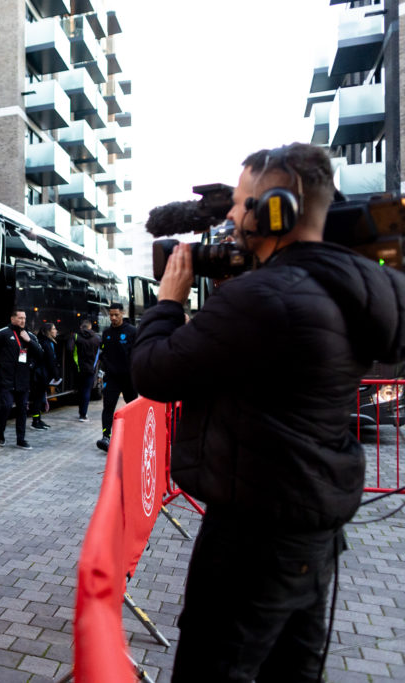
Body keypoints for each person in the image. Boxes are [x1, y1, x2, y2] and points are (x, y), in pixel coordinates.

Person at [132, 143, 405, 682]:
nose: (231, 218)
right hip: (310, 532)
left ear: (274, 208)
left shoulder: (264, 298)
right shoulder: (347, 287)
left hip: (252, 542)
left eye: (238, 204)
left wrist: (167, 303)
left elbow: (152, 372)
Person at [0, 309, 42, 449]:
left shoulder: (29, 335)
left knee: (22, 410)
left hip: (23, 380)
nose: (22, 321)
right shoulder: (4, 333)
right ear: (13, 319)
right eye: (20, 318)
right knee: (6, 406)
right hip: (5, 379)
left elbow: (40, 354)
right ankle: (0, 433)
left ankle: (21, 439)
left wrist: (28, 341)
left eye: (24, 318)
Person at [96, 303, 137, 452]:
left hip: (129, 378)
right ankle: (106, 437)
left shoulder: (132, 331)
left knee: (132, 407)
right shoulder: (106, 333)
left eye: (116, 315)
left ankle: (133, 435)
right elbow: (103, 354)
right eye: (111, 315)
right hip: (112, 378)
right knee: (108, 407)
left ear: (122, 314)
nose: (113, 318)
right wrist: (103, 371)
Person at [29, 322, 62, 431]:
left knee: (40, 397)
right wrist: (56, 376)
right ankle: (35, 421)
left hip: (41, 375)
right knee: (38, 398)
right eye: (54, 329)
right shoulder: (46, 343)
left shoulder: (45, 342)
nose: (56, 330)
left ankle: (38, 419)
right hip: (40, 375)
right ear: (48, 331)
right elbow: (50, 361)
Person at [70, 319, 101, 422]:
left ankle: (81, 412)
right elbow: (102, 350)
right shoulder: (97, 338)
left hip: (78, 368)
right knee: (87, 391)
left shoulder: (75, 336)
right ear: (90, 327)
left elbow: (69, 348)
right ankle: (83, 415)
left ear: (81, 327)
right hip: (91, 369)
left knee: (80, 390)